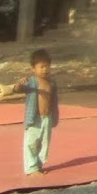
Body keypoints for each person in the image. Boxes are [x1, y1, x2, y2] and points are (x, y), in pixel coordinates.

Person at [13, 48, 59, 176]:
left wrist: (54, 117)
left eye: (47, 66)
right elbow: (17, 90)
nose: (45, 69)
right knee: (31, 142)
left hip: (47, 118)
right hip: (34, 118)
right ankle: (31, 168)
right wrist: (19, 84)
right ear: (33, 68)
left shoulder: (51, 83)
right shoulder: (31, 82)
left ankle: (38, 165)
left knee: (43, 142)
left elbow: (54, 100)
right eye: (41, 67)